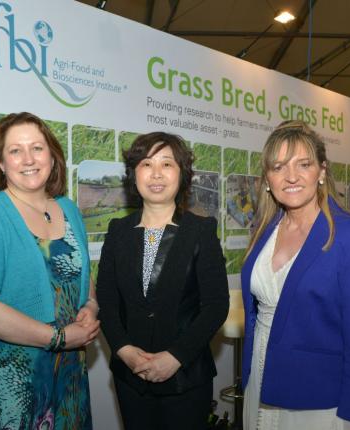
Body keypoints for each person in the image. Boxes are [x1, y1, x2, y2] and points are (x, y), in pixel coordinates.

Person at [0, 112, 99, 429]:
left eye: (37, 147)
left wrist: (90, 305)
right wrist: (59, 338)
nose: (28, 159)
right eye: (15, 150)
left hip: (68, 371)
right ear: (1, 164)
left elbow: (83, 278)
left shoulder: (69, 209)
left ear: (52, 156)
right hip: (8, 380)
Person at [241, 120, 350, 429]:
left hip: (317, 397)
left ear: (321, 171)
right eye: (278, 167)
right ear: (267, 178)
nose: (290, 176)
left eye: (303, 164)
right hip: (260, 374)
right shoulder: (265, 232)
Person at [96, 132, 229, 430]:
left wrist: (175, 356)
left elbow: (216, 305)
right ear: (134, 175)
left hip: (186, 377)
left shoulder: (201, 231)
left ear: (182, 174)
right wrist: (123, 350)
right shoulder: (118, 230)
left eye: (167, 164)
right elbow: (106, 298)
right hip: (130, 378)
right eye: (146, 164)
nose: (156, 174)